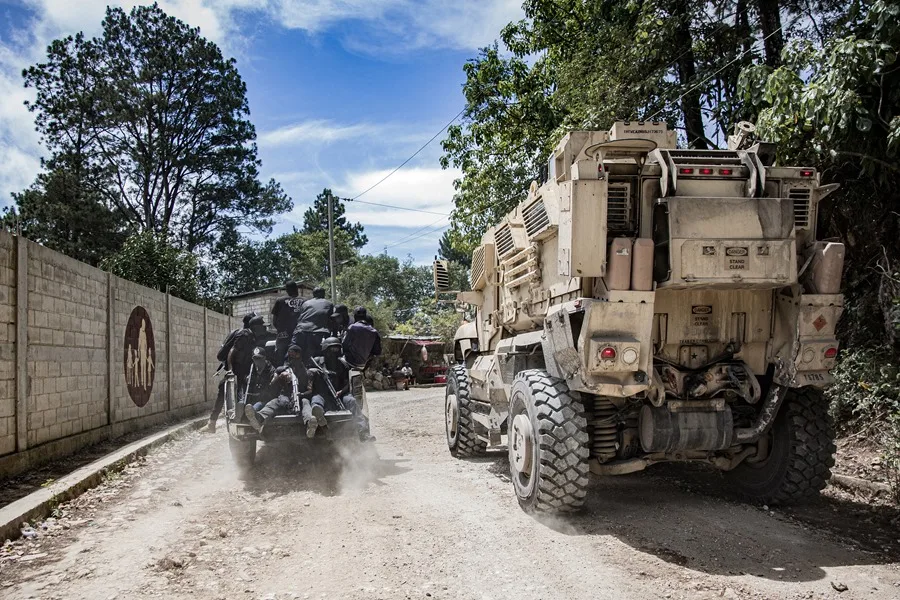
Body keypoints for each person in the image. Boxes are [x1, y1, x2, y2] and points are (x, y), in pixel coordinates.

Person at [244, 345, 323, 437]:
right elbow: (271, 385)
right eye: (291, 356)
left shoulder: (308, 372)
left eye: (295, 356)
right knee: (274, 403)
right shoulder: (281, 369)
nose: (293, 359)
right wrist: (280, 377)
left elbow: (310, 391)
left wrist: (300, 394)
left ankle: (310, 424)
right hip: (285, 397)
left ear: (300, 356)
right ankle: (259, 418)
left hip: (300, 398)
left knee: (306, 403)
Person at [309, 337, 374, 442]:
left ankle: (363, 433)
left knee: (351, 401)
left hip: (340, 395)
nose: (334, 353)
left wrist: (341, 391)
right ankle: (319, 418)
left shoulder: (342, 364)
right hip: (323, 395)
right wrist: (314, 371)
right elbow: (307, 375)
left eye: (336, 350)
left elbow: (348, 383)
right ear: (325, 350)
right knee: (316, 401)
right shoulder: (317, 361)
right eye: (331, 350)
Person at [206, 312, 258, 432]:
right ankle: (235, 417)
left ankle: (212, 423)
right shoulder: (245, 334)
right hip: (237, 370)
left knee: (223, 391)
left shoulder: (241, 332)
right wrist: (230, 371)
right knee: (237, 393)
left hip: (237, 369)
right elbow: (232, 351)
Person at [229, 315, 269, 421]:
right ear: (256, 328)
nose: (265, 328)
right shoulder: (244, 335)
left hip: (252, 366)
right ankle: (241, 412)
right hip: (241, 368)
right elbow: (233, 351)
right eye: (262, 326)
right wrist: (231, 369)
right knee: (243, 388)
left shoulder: (256, 336)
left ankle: (248, 409)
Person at [291, 287, 334, 365]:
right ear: (323, 294)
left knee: (292, 356)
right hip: (318, 334)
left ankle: (285, 371)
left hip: (300, 332)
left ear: (313, 294)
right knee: (318, 361)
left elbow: (299, 318)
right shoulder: (328, 304)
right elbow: (332, 321)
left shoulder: (305, 303)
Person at [271, 281, 304, 367]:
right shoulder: (304, 301)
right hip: (300, 335)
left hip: (283, 336)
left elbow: (274, 321)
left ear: (287, 290)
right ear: (297, 289)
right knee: (302, 358)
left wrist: (281, 331)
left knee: (280, 361)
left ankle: (280, 374)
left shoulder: (280, 301)